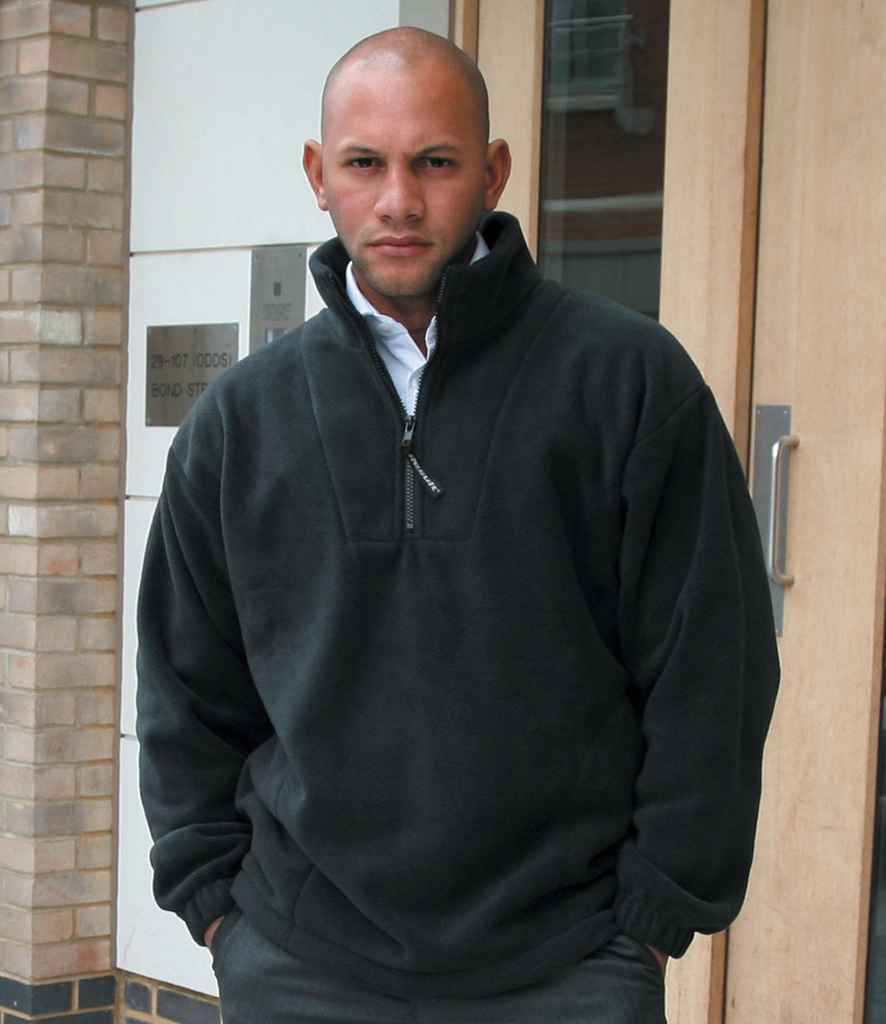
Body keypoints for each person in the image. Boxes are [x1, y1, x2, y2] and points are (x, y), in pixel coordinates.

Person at [136, 26, 779, 1024]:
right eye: (364, 163)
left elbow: (712, 665)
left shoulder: (628, 383)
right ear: (318, 175)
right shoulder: (241, 420)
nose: (398, 199)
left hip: (564, 965)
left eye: (434, 162)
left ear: (493, 171)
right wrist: (218, 908)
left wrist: (655, 915)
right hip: (301, 962)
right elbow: (185, 686)